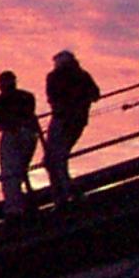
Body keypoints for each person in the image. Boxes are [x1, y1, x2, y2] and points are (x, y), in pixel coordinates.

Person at [43, 49, 100, 198]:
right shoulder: (82, 75)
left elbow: (52, 98)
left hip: (61, 120)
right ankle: (66, 188)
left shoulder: (54, 77)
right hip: (78, 120)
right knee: (60, 156)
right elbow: (96, 95)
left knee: (52, 158)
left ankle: (64, 191)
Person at [0, 70, 39, 213]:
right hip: (29, 134)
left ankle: (14, 207)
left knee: (10, 172)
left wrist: (11, 125)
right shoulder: (27, 97)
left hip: (13, 135)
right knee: (20, 170)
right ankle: (23, 200)